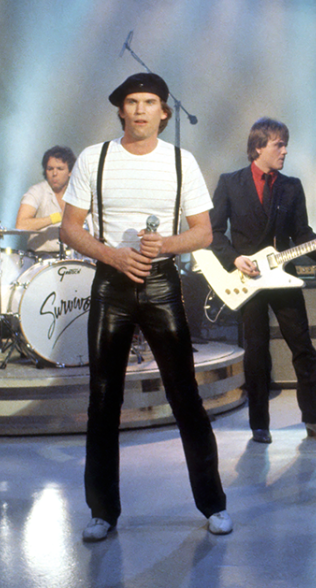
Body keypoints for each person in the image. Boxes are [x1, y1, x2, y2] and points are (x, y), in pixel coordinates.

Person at [60, 73, 231, 542]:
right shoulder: (95, 158)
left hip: (160, 285)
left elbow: (204, 233)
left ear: (164, 112)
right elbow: (69, 228)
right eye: (131, 102)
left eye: (149, 102)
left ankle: (213, 504)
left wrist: (165, 246)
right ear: (120, 110)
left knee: (185, 397)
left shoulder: (181, 161)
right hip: (110, 284)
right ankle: (102, 511)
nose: (139, 110)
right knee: (102, 399)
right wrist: (113, 254)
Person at [208, 117, 316, 445]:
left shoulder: (291, 186)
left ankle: (314, 420)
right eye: (279, 144)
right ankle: (259, 424)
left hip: (283, 278)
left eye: (285, 144)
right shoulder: (230, 182)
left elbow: (301, 232)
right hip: (247, 279)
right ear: (258, 147)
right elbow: (213, 232)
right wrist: (235, 258)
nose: (285, 150)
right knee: (257, 352)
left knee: (304, 348)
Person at [15, 145, 77, 254]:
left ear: (70, 171)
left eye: (60, 169)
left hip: (73, 258)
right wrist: (56, 217)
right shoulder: (36, 191)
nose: (54, 173)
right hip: (42, 259)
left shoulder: (77, 192)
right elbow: (21, 225)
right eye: (50, 169)